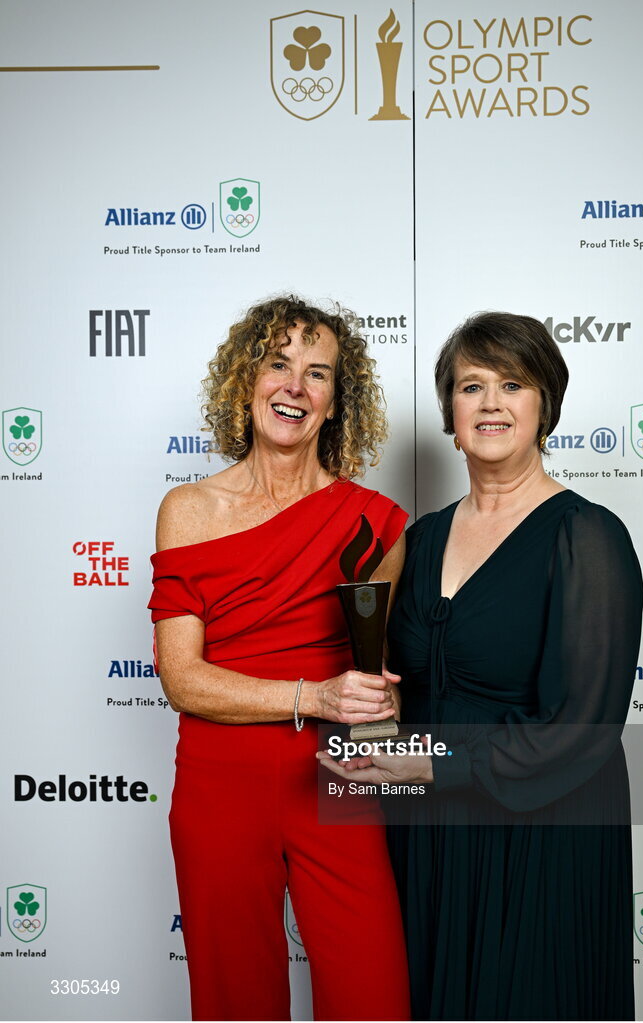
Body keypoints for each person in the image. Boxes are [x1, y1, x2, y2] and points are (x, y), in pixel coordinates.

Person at [318, 311, 643, 1020]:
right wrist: (374, 724)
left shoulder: (586, 535)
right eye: (471, 386)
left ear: (544, 405)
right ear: (449, 413)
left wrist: (430, 762)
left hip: (542, 832)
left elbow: (583, 727)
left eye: (512, 384)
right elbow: (401, 683)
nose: (490, 402)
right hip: (429, 832)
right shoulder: (420, 538)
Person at [149, 295, 411, 1022]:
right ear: (248, 382)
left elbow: (374, 684)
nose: (294, 384)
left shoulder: (378, 522)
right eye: (278, 363)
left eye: (316, 372)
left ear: (335, 402)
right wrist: (313, 697)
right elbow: (181, 675)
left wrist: (377, 713)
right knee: (236, 1001)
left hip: (338, 780)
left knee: (374, 997)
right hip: (219, 783)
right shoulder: (187, 510)